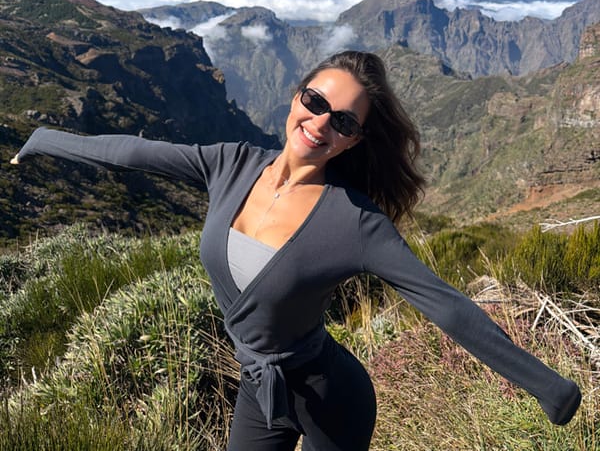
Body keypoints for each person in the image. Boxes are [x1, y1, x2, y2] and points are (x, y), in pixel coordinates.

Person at [11, 50, 581, 450]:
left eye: (342, 122)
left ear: (353, 139)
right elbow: (134, 154)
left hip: (333, 398)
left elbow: (446, 304)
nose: (319, 124)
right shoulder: (230, 163)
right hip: (261, 390)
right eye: (315, 100)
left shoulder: (354, 221)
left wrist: (548, 387)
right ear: (296, 96)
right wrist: (43, 141)